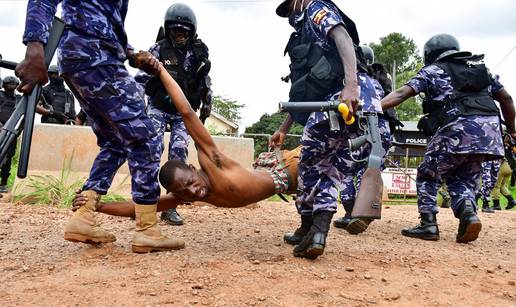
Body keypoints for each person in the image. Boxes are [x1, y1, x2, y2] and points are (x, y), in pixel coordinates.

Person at [16, 0, 184, 253]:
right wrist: (35, 46)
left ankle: (84, 216)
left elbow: (105, 20)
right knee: (146, 137)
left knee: (116, 142)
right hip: (94, 56)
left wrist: (131, 54)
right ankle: (147, 229)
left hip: (86, 56)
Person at [72, 66, 301, 219]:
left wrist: (160, 70)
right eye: (184, 192)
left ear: (192, 168)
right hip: (288, 183)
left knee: (333, 149)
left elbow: (187, 113)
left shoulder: (213, 164)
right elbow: (140, 209)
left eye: (190, 182)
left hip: (291, 167)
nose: (193, 191)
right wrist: (96, 206)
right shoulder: (183, 195)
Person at [270, 0, 386, 259]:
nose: (290, 14)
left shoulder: (314, 7)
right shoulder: (302, 33)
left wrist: (351, 86)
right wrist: (284, 128)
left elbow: (342, 35)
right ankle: (316, 231)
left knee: (310, 167)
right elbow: (306, 89)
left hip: (343, 99)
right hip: (346, 102)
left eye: (290, 8)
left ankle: (311, 228)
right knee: (329, 170)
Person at [381, 33, 515, 243]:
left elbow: (401, 94)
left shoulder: (432, 70)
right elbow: (506, 98)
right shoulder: (481, 70)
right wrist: (513, 130)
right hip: (489, 135)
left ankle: (428, 224)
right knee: (463, 179)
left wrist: (373, 107)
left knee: (428, 175)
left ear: (430, 53)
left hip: (456, 131)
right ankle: (468, 214)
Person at [135, 3, 212, 226]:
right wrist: (137, 108)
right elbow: (140, 79)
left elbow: (205, 79)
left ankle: (170, 207)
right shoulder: (158, 49)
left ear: (191, 32)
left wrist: (208, 101)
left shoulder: (199, 51)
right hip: (158, 108)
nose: (179, 35)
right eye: (175, 30)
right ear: (168, 30)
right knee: (151, 152)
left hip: (182, 112)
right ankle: (147, 204)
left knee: (178, 157)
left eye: (184, 31)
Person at [333, 45, 392, 232]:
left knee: (345, 171)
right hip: (382, 130)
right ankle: (361, 212)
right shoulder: (379, 83)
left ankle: (353, 212)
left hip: (358, 129)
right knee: (369, 170)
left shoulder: (350, 80)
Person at [0, 76, 22, 193]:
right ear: (4, 85)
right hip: (0, 129)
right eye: (9, 83)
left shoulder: (19, 99)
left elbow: (23, 115)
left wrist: (19, 130)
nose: (11, 86)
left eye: (14, 83)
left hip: (12, 132)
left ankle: (3, 183)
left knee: (8, 157)